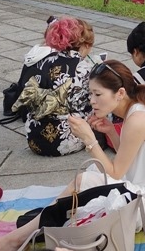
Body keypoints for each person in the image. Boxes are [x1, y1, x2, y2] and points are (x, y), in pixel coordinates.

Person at [0, 61, 145, 251]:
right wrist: (111, 132)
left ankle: (15, 240)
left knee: (84, 181)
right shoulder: (141, 108)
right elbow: (133, 157)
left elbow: (116, 172)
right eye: (90, 93)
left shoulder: (137, 119)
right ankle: (29, 231)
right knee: (83, 186)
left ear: (120, 93)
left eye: (98, 94)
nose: (92, 100)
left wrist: (89, 139)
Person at [21, 18, 95, 156]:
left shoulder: (43, 61)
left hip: (34, 138)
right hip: (65, 140)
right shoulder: (83, 68)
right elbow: (85, 105)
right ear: (85, 45)